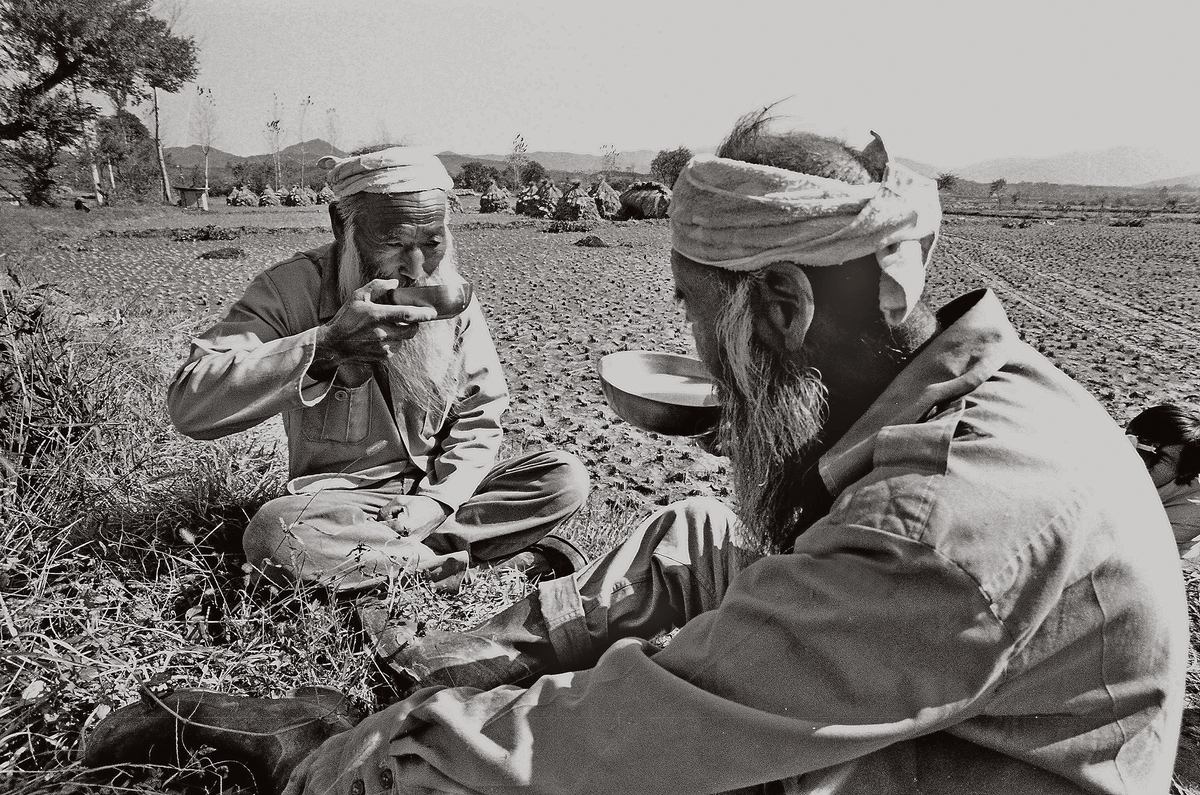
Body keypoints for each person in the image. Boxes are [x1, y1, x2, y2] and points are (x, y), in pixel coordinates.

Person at [88, 114, 1187, 795]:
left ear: (790, 305)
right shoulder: (985, 382)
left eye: (703, 321)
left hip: (932, 772)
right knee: (703, 531)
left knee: (612, 739)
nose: (701, 353)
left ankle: (399, 716)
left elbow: (633, 733)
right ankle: (460, 652)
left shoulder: (937, 525)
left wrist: (344, 763)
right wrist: (321, 350)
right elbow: (199, 397)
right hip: (341, 502)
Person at [165, 146, 590, 595]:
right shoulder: (292, 289)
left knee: (562, 477)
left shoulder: (446, 291)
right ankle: (459, 561)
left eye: (432, 241)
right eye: (393, 245)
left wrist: (436, 501)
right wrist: (325, 349)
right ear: (340, 225)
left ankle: (403, 560)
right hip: (344, 506)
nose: (418, 267)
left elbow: (481, 414)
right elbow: (190, 405)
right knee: (275, 534)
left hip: (440, 492)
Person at [1127, 403, 1200, 559]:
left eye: (1158, 457)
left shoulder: (1191, 510)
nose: (1137, 458)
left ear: (1183, 471)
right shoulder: (1107, 443)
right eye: (1132, 444)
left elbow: (1130, 554)